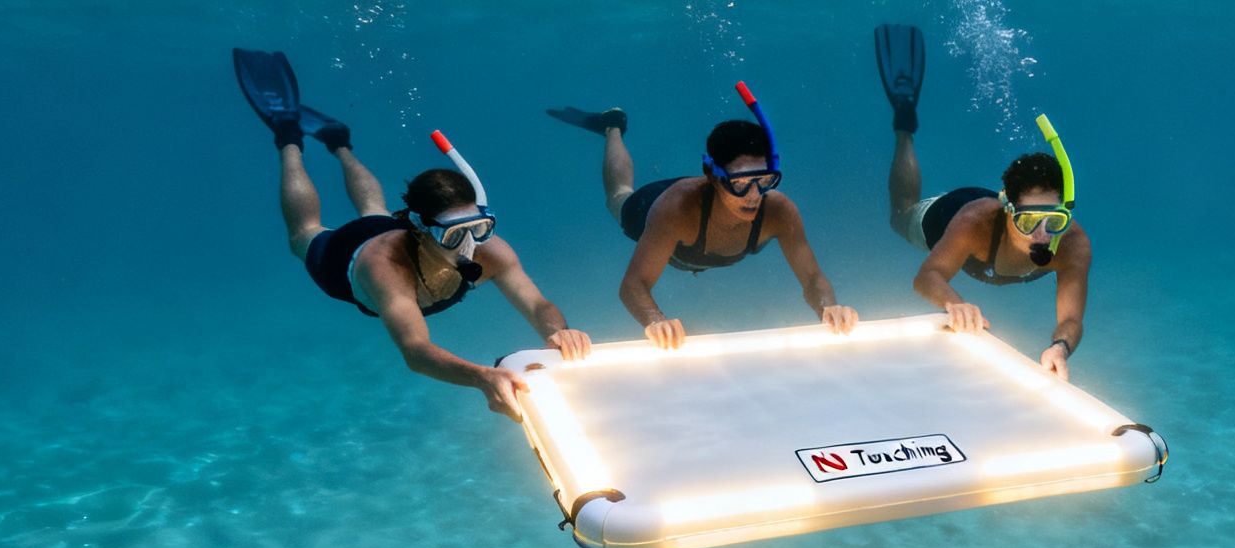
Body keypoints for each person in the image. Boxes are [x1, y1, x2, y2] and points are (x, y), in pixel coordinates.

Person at [234, 50, 590, 422]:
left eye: (478, 228)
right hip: (347, 255)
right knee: (304, 232)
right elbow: (416, 350)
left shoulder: (489, 250)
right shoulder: (385, 269)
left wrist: (557, 334)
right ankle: (288, 138)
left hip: (392, 230)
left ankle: (339, 143)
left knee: (375, 209)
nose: (470, 243)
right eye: (455, 234)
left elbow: (537, 305)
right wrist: (484, 377)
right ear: (421, 227)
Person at [548, 84, 860, 349]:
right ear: (712, 175)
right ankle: (612, 127)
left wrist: (828, 307)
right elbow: (633, 285)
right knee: (619, 196)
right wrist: (655, 321)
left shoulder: (778, 210)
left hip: (702, 199)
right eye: (739, 184)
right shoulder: (674, 211)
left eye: (765, 180)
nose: (753, 196)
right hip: (653, 206)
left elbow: (812, 278)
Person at [875, 24, 1091, 381]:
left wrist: (1060, 347)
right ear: (1010, 212)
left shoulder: (1073, 245)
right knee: (899, 217)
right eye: (1028, 221)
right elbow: (927, 276)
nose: (1042, 233)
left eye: (1054, 220)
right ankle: (904, 128)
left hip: (991, 214)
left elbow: (1070, 319)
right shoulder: (974, 224)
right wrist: (956, 304)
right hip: (952, 213)